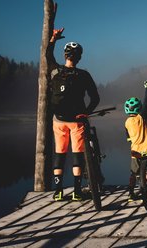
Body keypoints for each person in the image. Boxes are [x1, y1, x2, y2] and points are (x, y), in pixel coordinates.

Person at [47, 28, 100, 201]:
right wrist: (85, 113)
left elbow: (48, 56)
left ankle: (58, 191)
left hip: (59, 120)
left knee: (59, 153)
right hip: (77, 120)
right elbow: (95, 98)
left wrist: (54, 38)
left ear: (65, 56)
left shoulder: (55, 71)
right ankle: (77, 191)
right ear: (79, 57)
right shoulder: (84, 75)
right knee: (77, 154)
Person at [124, 80, 147, 201]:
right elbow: (146, 102)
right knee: (146, 170)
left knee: (133, 172)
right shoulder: (141, 117)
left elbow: (128, 138)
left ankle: (131, 193)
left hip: (135, 151)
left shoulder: (126, 122)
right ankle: (145, 187)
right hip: (146, 149)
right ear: (139, 109)